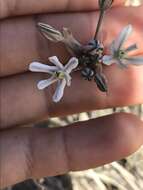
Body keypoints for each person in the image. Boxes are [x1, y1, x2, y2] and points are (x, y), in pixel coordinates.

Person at [0, 0, 143, 188]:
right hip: (80, 61)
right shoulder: (73, 66)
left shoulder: (102, 59)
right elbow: (71, 66)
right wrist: (68, 56)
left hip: (89, 60)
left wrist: (88, 60)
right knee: (64, 41)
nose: (61, 75)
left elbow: (81, 64)